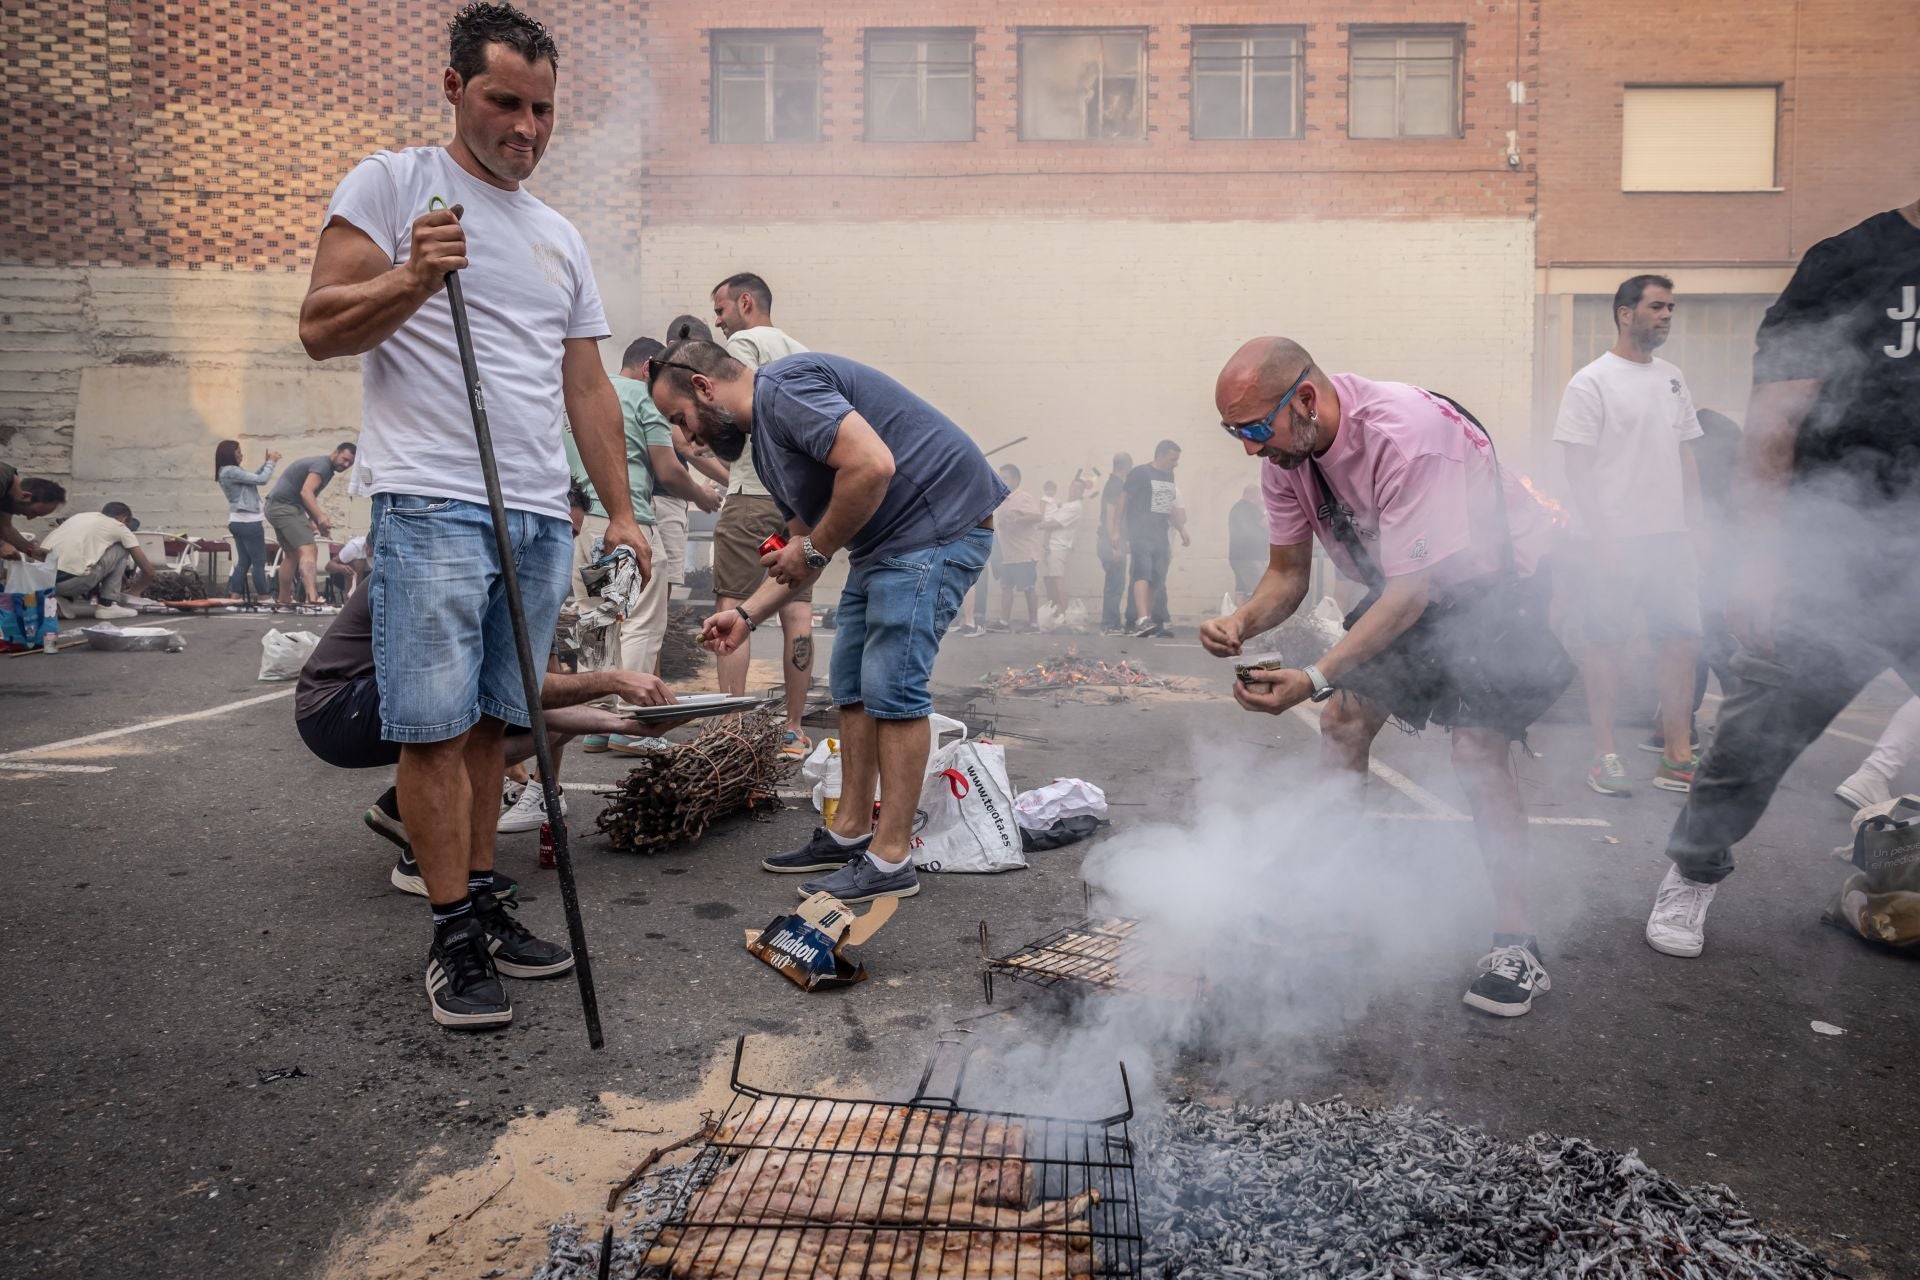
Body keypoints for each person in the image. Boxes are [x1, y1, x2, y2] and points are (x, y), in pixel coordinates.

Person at [299, 2, 650, 1030]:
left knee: (503, 725)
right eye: (505, 102)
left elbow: (586, 382)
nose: (527, 128)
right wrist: (415, 274)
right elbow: (320, 326)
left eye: (543, 109)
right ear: (455, 89)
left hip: (537, 512)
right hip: (437, 499)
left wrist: (619, 511)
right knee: (439, 727)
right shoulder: (394, 183)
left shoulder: (557, 234)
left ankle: (486, 898)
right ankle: (452, 930)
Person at [1202, 337, 1559, 1017]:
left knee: (1477, 751)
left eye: (1253, 429)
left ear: (1304, 399)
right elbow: (1287, 576)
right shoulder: (1287, 455)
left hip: (1499, 586)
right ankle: (1334, 907)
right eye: (1235, 433)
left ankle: (1520, 945)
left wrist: (1313, 675)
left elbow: (1408, 599)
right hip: (1415, 586)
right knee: (1342, 724)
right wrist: (1242, 623)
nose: (1249, 448)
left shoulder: (1407, 438)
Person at [1645, 197, 1920, 959]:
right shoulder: (1851, 261)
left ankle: (1898, 872)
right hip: (1835, 554)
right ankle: (1692, 875)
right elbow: (1774, 422)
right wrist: (1758, 560)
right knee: (1754, 740)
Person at [648, 340, 1005, 905]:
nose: (686, 438)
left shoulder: (784, 388)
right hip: (885, 546)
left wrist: (811, 551)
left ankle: (890, 860)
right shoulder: (764, 445)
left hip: (935, 530)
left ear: (703, 387)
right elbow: (801, 544)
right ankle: (851, 832)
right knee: (853, 686)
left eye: (680, 419)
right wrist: (745, 614)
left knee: (894, 688)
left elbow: (872, 465)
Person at [298, 581, 682, 896]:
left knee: (551, 723)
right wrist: (613, 680)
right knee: (468, 689)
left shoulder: (524, 584)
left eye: (570, 532)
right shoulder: (445, 572)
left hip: (391, 699)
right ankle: (423, 862)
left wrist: (622, 724)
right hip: (335, 707)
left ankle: (404, 808)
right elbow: (513, 688)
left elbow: (538, 700)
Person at [1554, 274, 1704, 797]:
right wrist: (1604, 540)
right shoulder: (1590, 382)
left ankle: (1677, 757)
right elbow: (1578, 470)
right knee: (1606, 646)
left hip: (1670, 539)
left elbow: (1686, 455)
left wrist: (1695, 526)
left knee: (1681, 640)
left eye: (1671, 308)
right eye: (1657, 306)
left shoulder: (1673, 378)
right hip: (1615, 539)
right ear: (1625, 313)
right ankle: (1605, 756)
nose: (1666, 316)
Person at [708, 272, 817, 758]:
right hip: (795, 504)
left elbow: (733, 403)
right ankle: (794, 730)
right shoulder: (803, 351)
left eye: (721, 310)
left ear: (745, 302)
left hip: (751, 496)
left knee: (733, 607)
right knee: (795, 609)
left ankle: (730, 730)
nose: (717, 322)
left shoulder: (745, 343)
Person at [265, 442, 356, 614]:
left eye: (349, 464)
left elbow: (307, 497)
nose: (345, 465)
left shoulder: (325, 467)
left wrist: (314, 520)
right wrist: (321, 517)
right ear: (335, 452)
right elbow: (306, 493)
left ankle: (283, 601)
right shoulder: (323, 466)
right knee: (309, 549)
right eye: (344, 459)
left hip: (276, 506)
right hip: (286, 507)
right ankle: (312, 600)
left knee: (291, 554)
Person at [41, 502, 161, 618]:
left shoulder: (79, 517)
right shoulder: (120, 527)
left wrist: (116, 575)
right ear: (124, 520)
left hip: (43, 582)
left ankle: (60, 600)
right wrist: (134, 591)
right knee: (122, 548)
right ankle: (107, 605)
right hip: (70, 582)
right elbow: (148, 571)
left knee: (80, 561)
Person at [1124, 440, 1190, 637]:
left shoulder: (1169, 476)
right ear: (1160, 455)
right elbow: (1123, 500)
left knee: (1156, 578)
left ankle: (1147, 620)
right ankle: (1142, 619)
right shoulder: (1140, 473)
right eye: (1172, 459)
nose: (1175, 463)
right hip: (1141, 533)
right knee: (1142, 573)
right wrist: (1117, 531)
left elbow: (1167, 506)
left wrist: (1181, 529)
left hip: (1160, 535)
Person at [214, 440, 282, 597]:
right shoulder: (231, 470)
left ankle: (235, 599)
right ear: (229, 454)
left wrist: (266, 464)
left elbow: (253, 478)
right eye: (238, 452)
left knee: (243, 562)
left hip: (238, 522)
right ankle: (264, 598)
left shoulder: (227, 471)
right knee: (259, 562)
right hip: (249, 522)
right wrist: (272, 462)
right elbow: (262, 480)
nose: (241, 454)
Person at [987, 464, 1045, 631]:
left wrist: (1017, 520)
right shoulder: (1002, 499)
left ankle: (1034, 624)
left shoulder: (1023, 497)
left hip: (1024, 553)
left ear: (1016, 479)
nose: (1001, 480)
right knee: (1006, 587)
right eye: (1000, 477)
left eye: (1005, 477)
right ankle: (1004, 622)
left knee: (1028, 588)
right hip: (1008, 554)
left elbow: (1037, 516)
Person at [1040, 476, 1086, 618]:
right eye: (1073, 486)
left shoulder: (1075, 506)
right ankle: (1053, 608)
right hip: (1051, 546)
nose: (1074, 489)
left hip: (1059, 547)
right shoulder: (1065, 504)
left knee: (1057, 579)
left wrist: (1036, 524)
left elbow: (1054, 523)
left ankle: (1063, 613)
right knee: (1050, 579)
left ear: (1082, 492)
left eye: (1078, 488)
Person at [2, 465, 65, 562]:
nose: (29, 518)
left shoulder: (11, 495)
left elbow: (5, 528)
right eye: (33, 512)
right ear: (26, 496)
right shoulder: (2, 481)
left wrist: (32, 550)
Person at [1098, 453, 1132, 633]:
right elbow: (1110, 511)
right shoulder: (1116, 485)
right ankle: (1110, 625)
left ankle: (1112, 623)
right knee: (1115, 584)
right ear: (1126, 466)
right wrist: (1115, 542)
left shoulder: (1112, 484)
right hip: (1111, 542)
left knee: (1115, 583)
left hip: (1109, 540)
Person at [1227, 483, 1266, 604]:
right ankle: (1252, 621)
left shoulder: (1236, 508)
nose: (1262, 499)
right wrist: (1266, 509)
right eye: (1260, 496)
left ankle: (1240, 620)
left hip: (1237, 557)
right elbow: (1267, 524)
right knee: (1255, 591)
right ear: (1254, 495)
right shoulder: (1250, 508)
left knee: (1242, 590)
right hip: (1250, 557)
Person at [324, 533, 371, 600]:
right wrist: (341, 568)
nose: (369, 553)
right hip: (346, 576)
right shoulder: (354, 547)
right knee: (358, 563)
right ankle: (351, 600)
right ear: (365, 544)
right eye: (367, 549)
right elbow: (328, 566)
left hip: (369, 577)